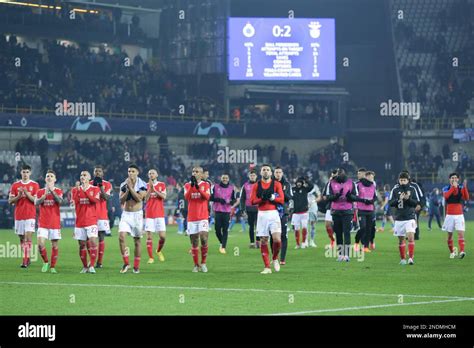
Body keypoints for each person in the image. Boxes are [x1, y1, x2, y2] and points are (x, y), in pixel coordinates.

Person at [250, 164, 284, 274]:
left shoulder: (276, 184)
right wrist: (262, 199)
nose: (265, 172)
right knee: (264, 240)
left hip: (273, 214)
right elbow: (252, 201)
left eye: (267, 170)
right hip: (262, 214)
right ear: (261, 173)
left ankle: (275, 258)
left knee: (277, 240)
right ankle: (267, 267)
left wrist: (273, 197)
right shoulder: (256, 185)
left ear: (271, 173)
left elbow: (282, 199)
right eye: (263, 170)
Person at [8, 164, 39, 268]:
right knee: (21, 238)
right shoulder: (15, 185)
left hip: (30, 215)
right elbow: (10, 201)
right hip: (19, 215)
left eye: (27, 172)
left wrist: (26, 192)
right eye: (23, 172)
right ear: (20, 173)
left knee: (27, 237)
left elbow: (35, 201)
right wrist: (19, 196)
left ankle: (25, 261)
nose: (25, 174)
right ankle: (27, 257)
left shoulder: (35, 185)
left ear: (30, 173)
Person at [118, 164, 147, 274]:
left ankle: (136, 266)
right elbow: (121, 200)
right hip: (126, 214)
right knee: (121, 237)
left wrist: (130, 188)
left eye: (133, 171)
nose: (130, 173)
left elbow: (139, 199)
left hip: (137, 215)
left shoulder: (142, 184)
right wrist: (127, 189)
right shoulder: (123, 184)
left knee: (137, 241)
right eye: (129, 171)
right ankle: (126, 263)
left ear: (137, 172)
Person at [324, 168, 359, 261]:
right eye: (338, 175)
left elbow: (356, 196)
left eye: (341, 174)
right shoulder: (331, 183)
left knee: (346, 232)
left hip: (347, 211)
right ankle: (340, 254)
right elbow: (327, 197)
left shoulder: (351, 183)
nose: (340, 176)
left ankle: (346, 255)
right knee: (338, 233)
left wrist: (349, 196)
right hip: (336, 211)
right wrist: (336, 196)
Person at [71, 171, 101, 273]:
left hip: (91, 220)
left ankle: (92, 265)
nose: (82, 177)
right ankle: (85, 266)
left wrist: (85, 191)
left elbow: (95, 201)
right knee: (81, 244)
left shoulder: (95, 189)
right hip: (80, 221)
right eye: (81, 175)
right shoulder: (75, 190)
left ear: (89, 178)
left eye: (84, 175)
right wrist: (79, 190)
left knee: (93, 241)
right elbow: (75, 201)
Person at [389, 172, 420, 265]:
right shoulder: (395, 189)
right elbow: (390, 203)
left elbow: (416, 203)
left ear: (408, 180)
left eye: (404, 180)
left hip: (410, 217)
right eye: (401, 180)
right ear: (399, 180)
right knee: (401, 240)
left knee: (411, 237)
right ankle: (402, 259)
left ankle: (411, 258)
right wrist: (399, 199)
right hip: (399, 218)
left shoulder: (412, 189)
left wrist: (408, 199)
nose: (402, 182)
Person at [35, 170, 63, 273]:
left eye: (51, 176)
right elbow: (36, 202)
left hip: (54, 223)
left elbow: (60, 201)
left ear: (55, 179)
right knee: (40, 245)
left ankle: (53, 267)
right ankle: (46, 262)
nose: (49, 178)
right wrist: (43, 197)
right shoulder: (40, 191)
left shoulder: (59, 191)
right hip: (43, 223)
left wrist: (52, 191)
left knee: (54, 245)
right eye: (47, 176)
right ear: (45, 179)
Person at [184, 166, 211, 272]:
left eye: (197, 172)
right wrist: (192, 186)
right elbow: (187, 197)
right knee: (194, 241)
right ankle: (196, 265)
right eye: (193, 171)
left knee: (204, 238)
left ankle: (203, 263)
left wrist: (198, 188)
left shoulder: (205, 184)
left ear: (202, 174)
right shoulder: (187, 185)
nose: (194, 173)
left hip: (203, 216)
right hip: (192, 217)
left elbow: (207, 197)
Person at [442, 173, 468, 259]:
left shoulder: (461, 188)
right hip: (449, 215)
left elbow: (466, 197)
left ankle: (462, 251)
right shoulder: (446, 188)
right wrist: (454, 187)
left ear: (458, 179)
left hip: (459, 214)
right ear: (449, 179)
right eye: (452, 178)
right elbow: (446, 196)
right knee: (449, 235)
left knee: (461, 233)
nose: (454, 179)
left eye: (455, 178)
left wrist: (464, 187)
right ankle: (452, 252)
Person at [90, 165, 112, 268]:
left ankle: (99, 261)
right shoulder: (89, 184)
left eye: (99, 171)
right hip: (90, 215)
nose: (97, 173)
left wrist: (100, 186)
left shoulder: (107, 184)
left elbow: (106, 197)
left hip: (102, 215)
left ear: (102, 173)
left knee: (101, 238)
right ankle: (92, 260)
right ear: (93, 173)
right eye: (96, 171)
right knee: (90, 239)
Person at [144, 168, 167, 264]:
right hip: (149, 214)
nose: (151, 175)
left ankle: (158, 251)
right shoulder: (145, 185)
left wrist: (155, 190)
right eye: (149, 173)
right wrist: (150, 189)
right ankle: (151, 257)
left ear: (156, 175)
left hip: (159, 214)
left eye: (153, 173)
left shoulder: (162, 185)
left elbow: (164, 196)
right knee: (149, 237)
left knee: (162, 237)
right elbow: (145, 199)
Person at [211, 173, 235, 254]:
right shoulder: (215, 187)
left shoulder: (231, 188)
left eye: (226, 178)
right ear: (221, 178)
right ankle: (222, 242)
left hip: (227, 212)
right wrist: (219, 200)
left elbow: (233, 199)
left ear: (228, 179)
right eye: (223, 178)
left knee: (225, 230)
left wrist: (231, 202)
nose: (225, 179)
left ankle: (223, 247)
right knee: (217, 230)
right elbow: (210, 197)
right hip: (217, 211)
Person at [354, 171, 377, 253]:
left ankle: (365, 247)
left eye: (373, 178)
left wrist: (371, 201)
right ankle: (356, 242)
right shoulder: (358, 185)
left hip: (370, 210)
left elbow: (375, 197)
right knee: (363, 227)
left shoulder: (373, 185)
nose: (372, 179)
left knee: (369, 229)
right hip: (361, 209)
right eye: (371, 177)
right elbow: (354, 197)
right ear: (366, 176)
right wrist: (363, 200)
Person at [273, 166, 292, 264]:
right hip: (272, 211)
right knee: (273, 235)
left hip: (283, 212)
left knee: (283, 235)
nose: (278, 174)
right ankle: (274, 257)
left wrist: (283, 193)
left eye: (279, 172)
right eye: (276, 172)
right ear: (274, 173)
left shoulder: (287, 184)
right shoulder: (270, 183)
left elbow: (290, 197)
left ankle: (282, 259)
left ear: (282, 173)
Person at [291, 177, 314, 249]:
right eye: (298, 182)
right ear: (296, 183)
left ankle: (304, 242)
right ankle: (297, 244)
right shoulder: (292, 189)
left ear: (302, 183)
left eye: (300, 182)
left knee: (304, 228)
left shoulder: (305, 189)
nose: (299, 183)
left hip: (304, 212)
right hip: (295, 213)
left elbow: (311, 186)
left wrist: (306, 180)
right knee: (296, 229)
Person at [240, 170, 259, 248]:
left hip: (258, 209)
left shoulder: (259, 184)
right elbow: (242, 198)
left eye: (254, 175)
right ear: (249, 176)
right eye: (251, 175)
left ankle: (258, 242)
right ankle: (252, 242)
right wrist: (242, 209)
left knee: (258, 226)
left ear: (256, 176)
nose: (252, 177)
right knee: (251, 226)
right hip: (249, 209)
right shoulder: (245, 185)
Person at [319, 169, 337, 248]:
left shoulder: (343, 183)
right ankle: (332, 240)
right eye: (333, 175)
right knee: (327, 225)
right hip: (330, 206)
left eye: (335, 175)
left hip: (341, 207)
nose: (334, 177)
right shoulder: (329, 184)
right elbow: (324, 195)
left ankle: (340, 242)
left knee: (339, 226)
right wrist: (326, 197)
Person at [307, 184, 321, 248]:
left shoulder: (314, 187)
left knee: (312, 225)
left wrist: (313, 201)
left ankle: (312, 241)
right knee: (305, 226)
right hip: (304, 208)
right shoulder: (302, 187)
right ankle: (305, 241)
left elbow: (319, 197)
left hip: (313, 208)